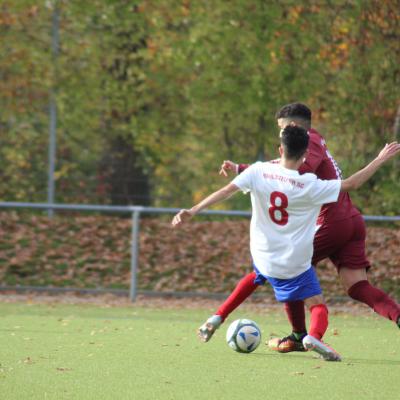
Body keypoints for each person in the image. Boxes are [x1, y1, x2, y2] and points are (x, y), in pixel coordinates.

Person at [172, 124, 400, 361]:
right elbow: (352, 184)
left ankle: (218, 317)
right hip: (295, 262)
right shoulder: (309, 184)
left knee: (256, 276)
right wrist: (380, 159)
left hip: (264, 256)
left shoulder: (258, 171)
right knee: (318, 306)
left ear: (279, 149)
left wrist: (194, 209)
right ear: (304, 156)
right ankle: (312, 336)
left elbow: (226, 190)